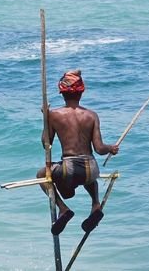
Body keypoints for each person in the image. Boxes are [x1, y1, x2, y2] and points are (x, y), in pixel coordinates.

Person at [37, 69, 119, 236]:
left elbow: (46, 144)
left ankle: (63, 209)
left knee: (41, 175)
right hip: (91, 169)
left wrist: (45, 119)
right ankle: (95, 204)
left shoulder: (54, 115)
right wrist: (111, 148)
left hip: (69, 168)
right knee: (88, 174)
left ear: (62, 93)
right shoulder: (92, 115)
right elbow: (99, 148)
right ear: (81, 92)